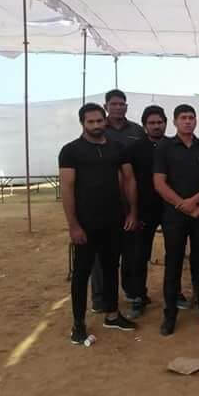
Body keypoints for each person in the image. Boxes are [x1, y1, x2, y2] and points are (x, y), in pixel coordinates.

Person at [60, 103, 138, 344]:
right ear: (82, 123)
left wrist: (132, 212)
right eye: (90, 121)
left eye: (99, 121)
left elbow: (129, 179)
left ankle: (112, 315)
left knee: (111, 267)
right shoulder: (71, 151)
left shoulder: (118, 148)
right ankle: (78, 325)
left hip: (113, 220)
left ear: (105, 120)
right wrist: (74, 225)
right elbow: (67, 188)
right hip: (86, 223)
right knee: (82, 273)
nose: (96, 125)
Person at [153, 104, 199, 335]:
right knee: (173, 264)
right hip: (174, 217)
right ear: (175, 121)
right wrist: (183, 205)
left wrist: (194, 202)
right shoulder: (164, 147)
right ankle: (170, 315)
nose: (188, 121)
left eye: (191, 117)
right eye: (183, 117)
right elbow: (159, 183)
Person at [89, 89, 145, 313]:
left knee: (131, 251)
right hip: (103, 201)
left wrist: (135, 207)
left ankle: (132, 291)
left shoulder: (137, 131)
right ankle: (100, 298)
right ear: (106, 106)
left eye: (122, 104)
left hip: (131, 199)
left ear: (126, 107)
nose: (118, 107)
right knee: (101, 254)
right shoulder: (98, 130)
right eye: (114, 104)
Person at [122, 105, 167, 319]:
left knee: (174, 252)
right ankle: (138, 296)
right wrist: (132, 211)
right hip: (143, 210)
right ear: (144, 125)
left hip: (170, 209)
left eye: (159, 122)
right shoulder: (133, 149)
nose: (156, 126)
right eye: (152, 123)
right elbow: (128, 181)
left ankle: (174, 293)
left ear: (166, 123)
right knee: (139, 255)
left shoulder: (173, 145)